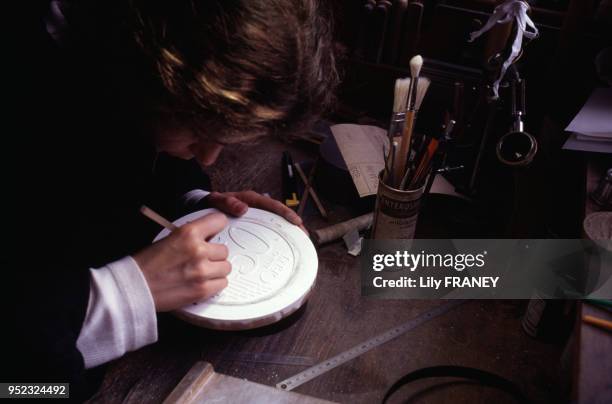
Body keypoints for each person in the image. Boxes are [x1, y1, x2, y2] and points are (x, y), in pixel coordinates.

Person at [4, 0, 337, 399]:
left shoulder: (119, 75)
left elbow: (119, 148)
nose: (209, 157)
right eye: (198, 130)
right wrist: (121, 294)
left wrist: (187, 203)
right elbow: (22, 389)